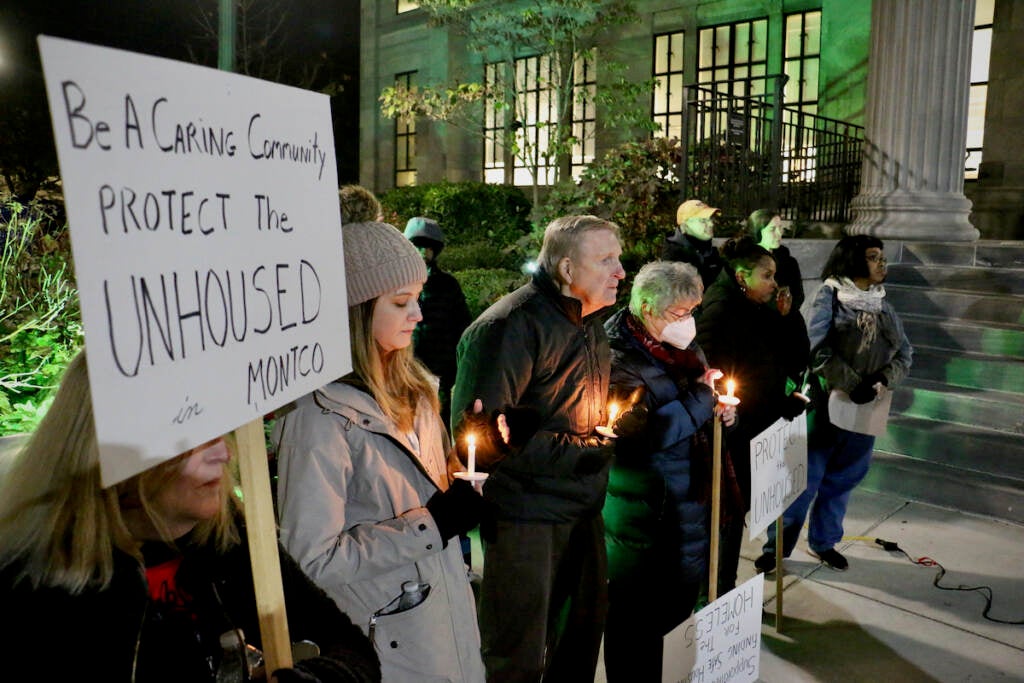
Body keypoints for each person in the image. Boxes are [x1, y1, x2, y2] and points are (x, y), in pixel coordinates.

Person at [0, 351, 381, 682]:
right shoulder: (42, 589)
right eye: (194, 436)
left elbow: (352, 649)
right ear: (114, 452)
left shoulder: (226, 536)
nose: (225, 454)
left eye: (221, 432)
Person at [274, 220, 486, 682]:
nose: (418, 314)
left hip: (447, 635)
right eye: (400, 302)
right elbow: (310, 561)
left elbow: (419, 492)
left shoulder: (417, 391)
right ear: (356, 311)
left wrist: (481, 450)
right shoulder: (319, 416)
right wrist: (434, 525)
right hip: (387, 647)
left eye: (418, 298)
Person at [451, 215, 626, 682]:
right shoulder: (509, 327)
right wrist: (584, 452)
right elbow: (483, 438)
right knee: (518, 653)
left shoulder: (592, 325)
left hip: (583, 507)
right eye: (606, 259)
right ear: (568, 269)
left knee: (580, 641)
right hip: (525, 518)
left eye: (619, 258)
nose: (621, 271)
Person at [601, 261, 736, 682]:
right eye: (679, 313)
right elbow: (642, 435)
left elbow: (696, 406)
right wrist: (701, 397)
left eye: (692, 311)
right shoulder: (617, 355)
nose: (688, 323)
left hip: (687, 503)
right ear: (644, 306)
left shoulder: (681, 350)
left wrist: (720, 413)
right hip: (645, 513)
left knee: (677, 620)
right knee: (635, 625)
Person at [757, 235, 912, 572]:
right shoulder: (829, 295)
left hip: (866, 410)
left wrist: (883, 380)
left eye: (882, 257)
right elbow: (814, 346)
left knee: (843, 480)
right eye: (873, 257)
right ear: (853, 260)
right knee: (803, 482)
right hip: (826, 407)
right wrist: (851, 383)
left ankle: (824, 542)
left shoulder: (882, 303)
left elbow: (905, 353)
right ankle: (776, 548)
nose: (882, 263)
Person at [695, 235, 810, 595]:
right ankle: (718, 593)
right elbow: (716, 379)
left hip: (759, 425)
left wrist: (788, 318)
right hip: (732, 436)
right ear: (742, 276)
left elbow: (793, 356)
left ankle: (722, 587)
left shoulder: (760, 308)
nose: (775, 284)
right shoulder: (721, 311)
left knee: (737, 518)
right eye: (767, 275)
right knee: (725, 521)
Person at [403, 216, 473, 429]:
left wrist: (455, 367)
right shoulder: (398, 282)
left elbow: (462, 326)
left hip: (439, 371)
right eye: (418, 247)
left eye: (428, 248)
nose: (423, 253)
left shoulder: (447, 285)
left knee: (436, 424)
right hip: (405, 367)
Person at [746, 208, 805, 312]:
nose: (779, 233)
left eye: (780, 228)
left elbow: (798, 296)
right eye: (772, 229)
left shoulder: (789, 263)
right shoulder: (744, 263)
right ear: (757, 231)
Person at [662, 198, 725, 289]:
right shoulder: (673, 259)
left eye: (710, 219)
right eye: (703, 220)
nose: (711, 224)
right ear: (684, 226)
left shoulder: (710, 249)